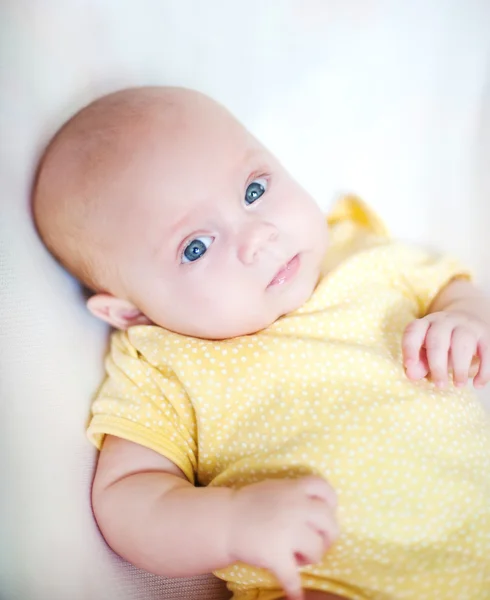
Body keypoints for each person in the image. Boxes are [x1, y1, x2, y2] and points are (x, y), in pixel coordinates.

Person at [32, 86, 490, 600]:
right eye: (196, 247)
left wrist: (463, 319)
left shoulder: (359, 253)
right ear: (130, 310)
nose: (258, 236)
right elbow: (127, 498)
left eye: (253, 191)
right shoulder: (162, 362)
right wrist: (231, 523)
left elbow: (455, 286)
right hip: (328, 581)